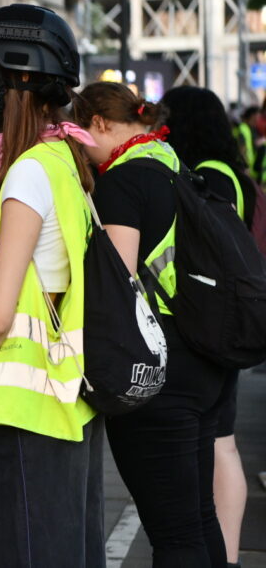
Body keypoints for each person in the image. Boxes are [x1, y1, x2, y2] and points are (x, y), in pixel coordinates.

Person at [0, 4, 103, 567]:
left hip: (22, 404)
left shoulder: (30, 171)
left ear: (17, 79)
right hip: (59, 396)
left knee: (22, 551)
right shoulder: (62, 161)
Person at [71, 80, 228, 567]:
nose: (80, 149)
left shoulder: (123, 181)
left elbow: (116, 287)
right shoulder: (175, 166)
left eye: (79, 134)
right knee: (199, 516)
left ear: (99, 123)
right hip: (207, 359)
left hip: (160, 372)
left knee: (174, 533)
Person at [162, 86, 250, 568]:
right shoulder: (229, 171)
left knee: (220, 445)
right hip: (224, 323)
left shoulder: (210, 175)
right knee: (221, 443)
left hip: (215, 324)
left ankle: (226, 554)